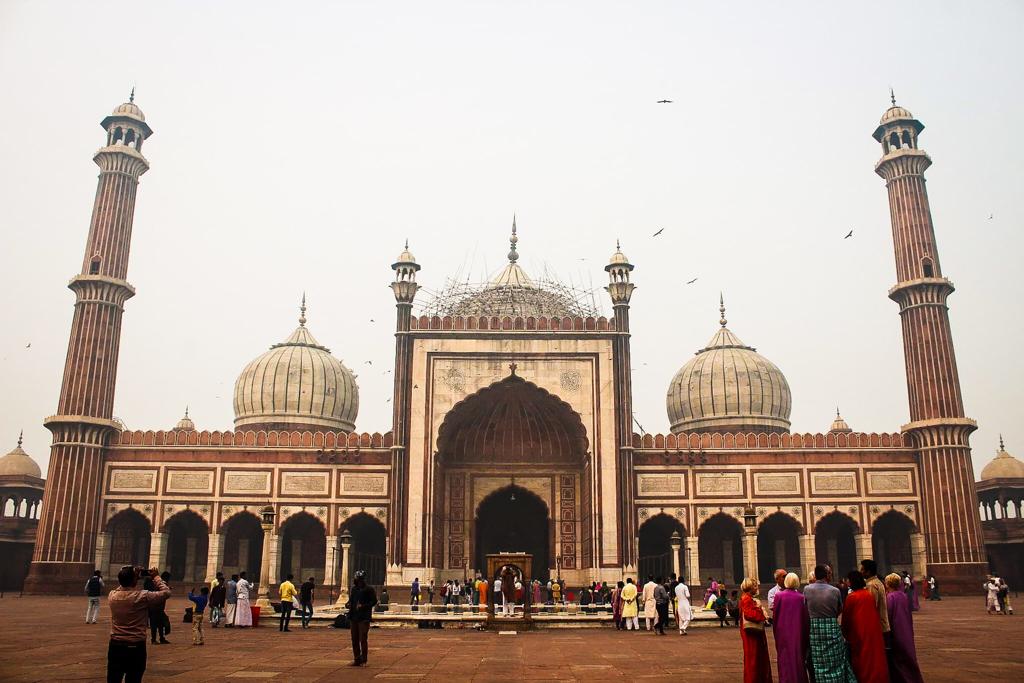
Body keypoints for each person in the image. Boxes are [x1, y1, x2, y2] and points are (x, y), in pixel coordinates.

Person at [108, 566, 170, 683]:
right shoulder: (142, 596)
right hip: (135, 646)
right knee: (134, 679)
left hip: (116, 645)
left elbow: (122, 585)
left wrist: (133, 576)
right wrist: (156, 577)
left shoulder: (112, 595)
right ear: (134, 581)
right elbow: (166, 592)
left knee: (113, 679)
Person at [804, 565, 856, 683]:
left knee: (818, 659)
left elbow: (805, 606)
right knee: (835, 659)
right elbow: (839, 609)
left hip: (815, 628)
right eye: (830, 573)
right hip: (831, 626)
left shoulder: (807, 589)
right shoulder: (835, 590)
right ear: (827, 575)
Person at [842, 571, 890, 683]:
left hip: (859, 636)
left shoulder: (851, 597)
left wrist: (846, 634)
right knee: (875, 660)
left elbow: (846, 620)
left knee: (862, 664)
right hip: (874, 634)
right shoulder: (868, 595)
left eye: (848, 580)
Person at [884, 574, 924, 683]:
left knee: (898, 660)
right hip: (906, 630)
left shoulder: (890, 597)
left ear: (887, 584)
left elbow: (888, 616)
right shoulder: (903, 595)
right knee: (909, 657)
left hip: (896, 631)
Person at [772, 573, 810, 683]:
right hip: (798, 632)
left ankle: (785, 679)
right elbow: (805, 618)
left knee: (784, 658)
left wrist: (776, 631)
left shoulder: (779, 596)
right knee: (798, 657)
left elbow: (776, 615)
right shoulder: (801, 597)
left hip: (782, 631)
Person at [739, 577, 772, 683]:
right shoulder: (746, 599)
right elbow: (749, 614)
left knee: (756, 657)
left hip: (753, 633)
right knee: (753, 658)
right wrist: (761, 613)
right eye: (755, 586)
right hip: (751, 633)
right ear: (750, 587)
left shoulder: (748, 598)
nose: (757, 588)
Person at [345, 569, 378, 666]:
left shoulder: (369, 589)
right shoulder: (354, 589)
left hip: (364, 618)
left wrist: (363, 606)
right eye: (357, 579)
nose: (358, 581)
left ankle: (364, 659)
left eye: (359, 579)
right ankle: (357, 659)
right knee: (354, 639)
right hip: (354, 617)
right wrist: (348, 604)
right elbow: (351, 600)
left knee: (363, 638)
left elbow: (374, 601)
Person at [860, 559, 891, 637]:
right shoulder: (876, 582)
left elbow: (871, 606)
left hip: (876, 626)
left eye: (862, 569)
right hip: (880, 624)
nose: (861, 571)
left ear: (868, 571)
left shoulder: (871, 585)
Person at [143, 572, 170, 645]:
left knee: (160, 624)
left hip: (159, 608)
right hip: (154, 608)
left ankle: (161, 638)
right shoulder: (157, 584)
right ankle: (154, 639)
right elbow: (164, 593)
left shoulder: (158, 584)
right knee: (155, 625)